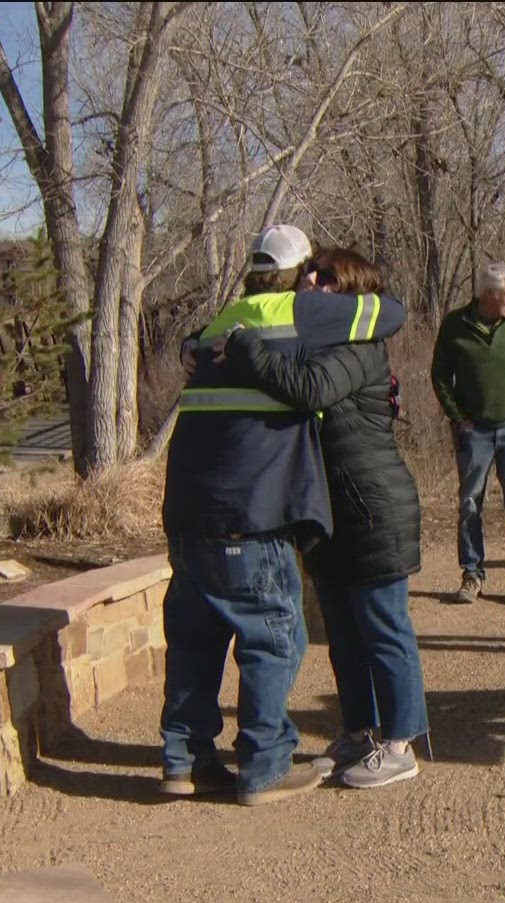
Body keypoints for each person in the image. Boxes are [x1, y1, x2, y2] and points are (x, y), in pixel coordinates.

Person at [158, 224, 404, 806]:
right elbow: (390, 312)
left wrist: (185, 346)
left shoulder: (223, 320)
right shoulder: (301, 314)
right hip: (252, 510)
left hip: (187, 511)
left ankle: (184, 763)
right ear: (297, 277)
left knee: (194, 643)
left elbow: (195, 348)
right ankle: (265, 766)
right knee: (272, 639)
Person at [219, 247, 426, 790]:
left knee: (384, 629)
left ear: (351, 290)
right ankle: (360, 731)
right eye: (309, 271)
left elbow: (306, 389)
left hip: (373, 509)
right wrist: (200, 348)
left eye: (325, 276)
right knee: (343, 634)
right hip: (330, 511)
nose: (310, 279)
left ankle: (401, 742)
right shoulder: (313, 344)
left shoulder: (358, 346)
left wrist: (240, 343)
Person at [430, 260, 505, 605]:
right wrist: (457, 417)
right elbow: (439, 375)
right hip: (474, 432)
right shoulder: (455, 324)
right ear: (489, 295)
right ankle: (472, 574)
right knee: (469, 504)